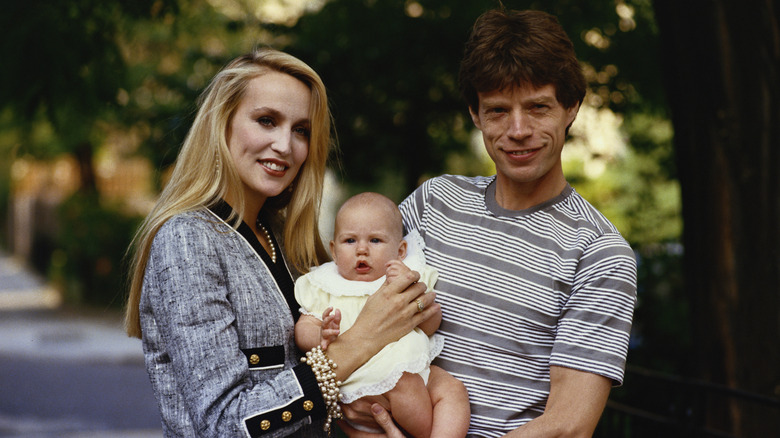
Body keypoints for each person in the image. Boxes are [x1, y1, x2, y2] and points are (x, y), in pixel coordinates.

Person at [341, 8, 638, 437]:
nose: (518, 130)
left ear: (571, 107)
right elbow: (346, 287)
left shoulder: (599, 253)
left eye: (538, 107)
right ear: (476, 115)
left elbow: (567, 426)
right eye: (498, 111)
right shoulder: (434, 202)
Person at [123, 48, 440, 437]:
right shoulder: (187, 239)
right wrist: (361, 340)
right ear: (222, 124)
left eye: (301, 130)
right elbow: (224, 424)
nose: (285, 145)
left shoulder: (288, 243)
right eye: (267, 120)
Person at [294, 192, 470, 438]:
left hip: (415, 366)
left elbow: (429, 326)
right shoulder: (323, 284)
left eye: (375, 240)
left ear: (400, 251)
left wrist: (428, 310)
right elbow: (303, 330)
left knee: (453, 389)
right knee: (405, 387)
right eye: (350, 241)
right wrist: (322, 333)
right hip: (367, 375)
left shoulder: (406, 278)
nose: (362, 250)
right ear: (333, 250)